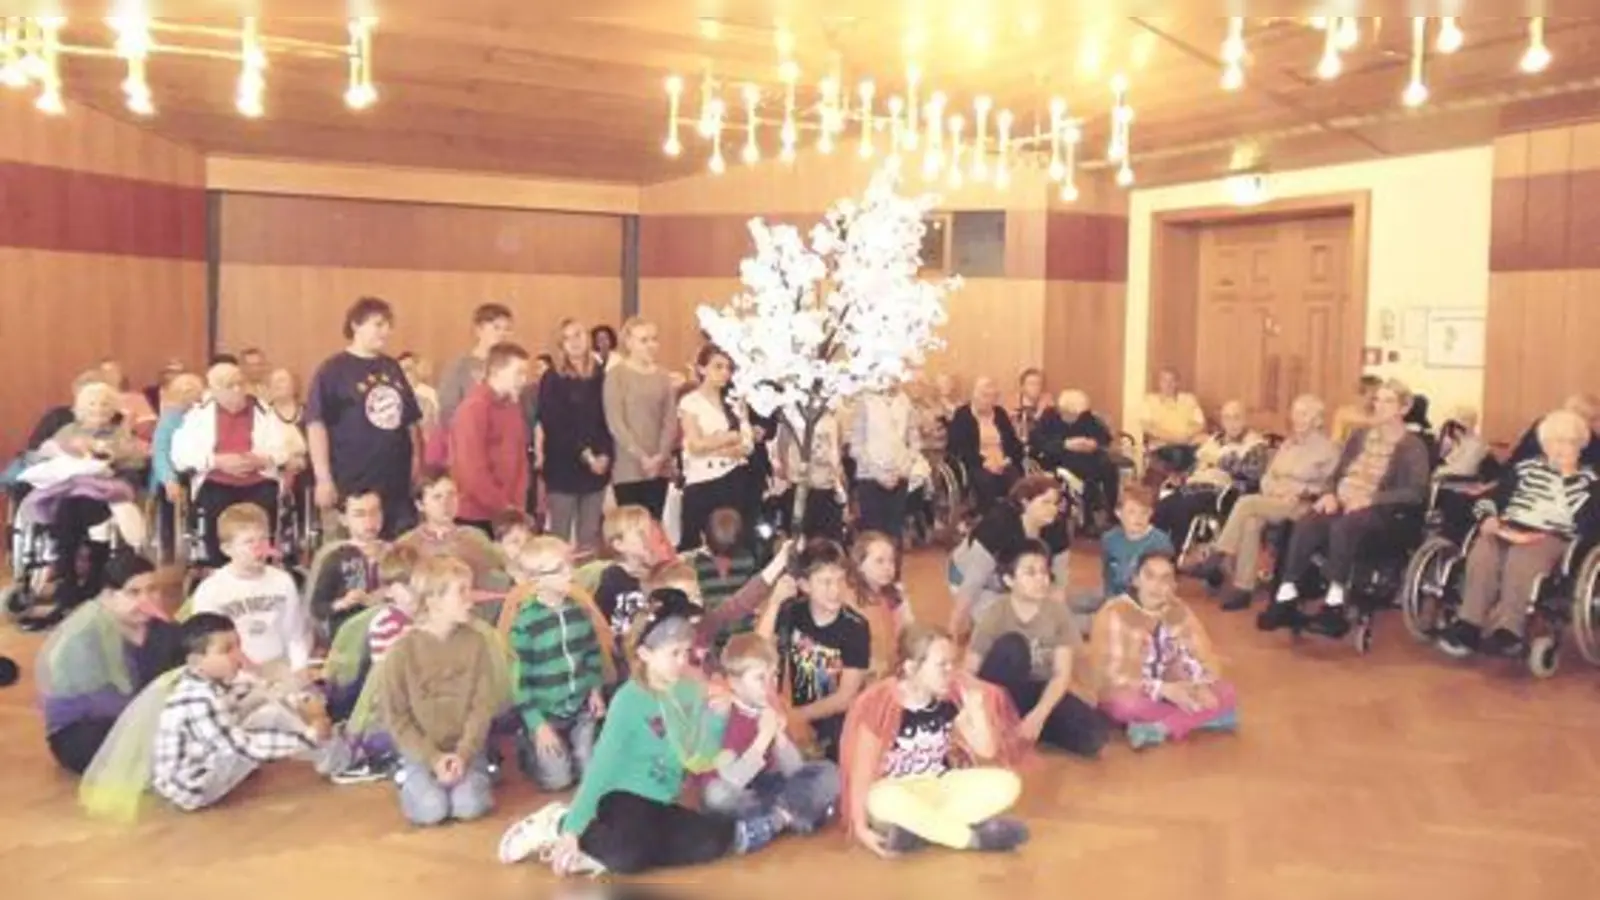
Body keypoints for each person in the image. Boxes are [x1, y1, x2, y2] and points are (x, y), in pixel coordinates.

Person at [496, 590, 798, 877]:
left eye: (686, 652)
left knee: (711, 841)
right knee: (629, 855)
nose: (683, 662)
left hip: (661, 800)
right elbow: (602, 766)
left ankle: (599, 855)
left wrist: (716, 719)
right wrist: (573, 827)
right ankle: (558, 823)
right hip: (621, 797)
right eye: (674, 653)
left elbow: (699, 757)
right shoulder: (630, 699)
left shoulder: (690, 692)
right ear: (645, 653)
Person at [1259, 379, 1431, 639]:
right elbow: (1337, 474)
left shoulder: (1413, 447)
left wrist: (1371, 498)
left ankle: (1334, 604)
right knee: (1309, 521)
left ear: (1403, 409)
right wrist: (1329, 493)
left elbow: (1415, 492)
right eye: (1377, 400)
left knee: (1344, 527)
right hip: (1344, 501)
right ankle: (1286, 595)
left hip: (1383, 512)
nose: (1379, 406)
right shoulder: (1359, 436)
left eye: (1387, 401)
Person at [838, 624, 1029, 858]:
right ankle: (971, 838)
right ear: (911, 668)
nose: (950, 671)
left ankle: (922, 830)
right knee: (880, 800)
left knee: (1007, 783)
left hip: (938, 785)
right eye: (941, 665)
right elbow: (862, 772)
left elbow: (986, 751)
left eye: (951, 663)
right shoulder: (880, 703)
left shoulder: (951, 694)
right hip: (897, 790)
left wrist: (976, 711)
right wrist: (860, 827)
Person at [1436, 408, 1600, 658]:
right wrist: (1489, 518)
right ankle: (1469, 624)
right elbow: (1489, 500)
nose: (1560, 448)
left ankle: (1510, 630)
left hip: (1551, 536)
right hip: (1509, 527)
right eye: (1554, 441)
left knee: (1522, 558)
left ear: (1581, 446)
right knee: (1484, 551)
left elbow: (1587, 524)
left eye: (1569, 442)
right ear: (1543, 444)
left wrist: (1567, 480)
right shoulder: (1524, 470)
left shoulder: (1588, 480)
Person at [151, 613, 342, 812]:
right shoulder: (197, 698)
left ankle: (332, 752)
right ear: (196, 661)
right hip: (193, 788)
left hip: (202, 771)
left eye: (238, 646)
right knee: (270, 717)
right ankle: (337, 757)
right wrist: (309, 736)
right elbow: (239, 748)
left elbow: (262, 691)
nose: (239, 656)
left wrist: (301, 701)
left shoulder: (210, 682)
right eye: (227, 650)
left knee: (268, 708)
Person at [379, 556, 502, 827]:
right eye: (461, 592)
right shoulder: (402, 651)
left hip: (467, 749)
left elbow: (482, 706)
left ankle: (479, 772)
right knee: (431, 810)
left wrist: (464, 753)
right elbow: (397, 717)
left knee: (467, 805)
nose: (470, 599)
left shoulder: (476, 642)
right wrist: (433, 758)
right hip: (422, 752)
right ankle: (409, 778)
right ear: (433, 601)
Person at [36, 554, 184, 774]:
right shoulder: (83, 636)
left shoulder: (164, 630)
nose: (146, 599)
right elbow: (101, 702)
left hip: (147, 719)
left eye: (153, 590)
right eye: (133, 592)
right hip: (87, 727)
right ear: (108, 595)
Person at [1194, 394, 1339, 612]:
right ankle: (1243, 588)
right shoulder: (1288, 444)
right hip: (1275, 500)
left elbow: (1330, 488)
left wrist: (1300, 491)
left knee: (1246, 503)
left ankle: (1218, 555)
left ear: (1318, 419)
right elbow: (1267, 476)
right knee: (1251, 521)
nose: (1297, 418)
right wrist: (1275, 490)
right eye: (1295, 412)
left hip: (1303, 506)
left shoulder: (1328, 449)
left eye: (1304, 414)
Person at [967, 540, 1106, 757]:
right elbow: (969, 670)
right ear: (1009, 580)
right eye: (1030, 573)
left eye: (1043, 572)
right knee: (1013, 646)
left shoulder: (1058, 613)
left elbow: (1062, 674)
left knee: (1094, 736)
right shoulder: (996, 613)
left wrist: (1038, 716)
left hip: (1041, 691)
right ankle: (1003, 723)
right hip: (1004, 691)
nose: (1041, 579)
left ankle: (1026, 727)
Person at [1091, 550, 1237, 749]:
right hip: (1137, 691)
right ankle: (1205, 719)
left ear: (1174, 586)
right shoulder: (1115, 613)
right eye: (1149, 577)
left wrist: (1198, 685)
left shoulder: (1179, 611)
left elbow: (1201, 655)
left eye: (1165, 579)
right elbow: (1110, 676)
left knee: (1226, 691)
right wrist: (1163, 689)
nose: (1157, 586)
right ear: (1135, 580)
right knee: (1123, 705)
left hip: (1176, 690)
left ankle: (1160, 728)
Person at [307, 296, 424, 539]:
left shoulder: (392, 367)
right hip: (352, 480)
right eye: (378, 324)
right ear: (355, 325)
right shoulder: (333, 370)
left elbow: (410, 420)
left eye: (388, 325)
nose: (386, 331)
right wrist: (323, 477)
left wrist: (416, 462)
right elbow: (316, 424)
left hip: (395, 481)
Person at [699, 633, 841, 826]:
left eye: (773, 676)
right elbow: (733, 780)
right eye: (759, 678)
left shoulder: (771, 707)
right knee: (716, 796)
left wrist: (780, 737)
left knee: (829, 772)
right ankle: (788, 816)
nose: (769, 685)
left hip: (768, 785)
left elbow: (794, 770)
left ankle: (776, 818)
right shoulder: (721, 712)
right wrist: (763, 738)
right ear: (735, 683)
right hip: (736, 788)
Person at [756, 539, 870, 762]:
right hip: (793, 708)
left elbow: (845, 697)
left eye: (840, 580)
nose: (835, 590)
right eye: (825, 582)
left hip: (834, 715)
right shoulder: (792, 612)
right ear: (805, 585)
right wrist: (774, 603)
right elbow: (755, 652)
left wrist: (797, 716)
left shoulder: (855, 627)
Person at [509, 536, 608, 792]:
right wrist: (537, 724)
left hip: (580, 710)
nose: (570, 573)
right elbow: (518, 681)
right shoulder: (525, 623)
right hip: (545, 714)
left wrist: (595, 689)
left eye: (569, 565)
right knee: (558, 781)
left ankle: (576, 749)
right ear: (536, 580)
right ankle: (529, 746)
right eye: (561, 568)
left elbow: (591, 653)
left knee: (591, 773)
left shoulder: (578, 611)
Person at [171, 361, 294, 566]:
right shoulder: (198, 415)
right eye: (230, 386)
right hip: (216, 479)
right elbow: (180, 456)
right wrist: (216, 461)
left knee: (263, 509)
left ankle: (259, 562)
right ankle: (220, 566)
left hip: (259, 478)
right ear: (215, 390)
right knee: (216, 508)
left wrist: (262, 459)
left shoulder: (264, 411)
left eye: (240, 384)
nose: (237, 390)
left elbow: (284, 449)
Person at [189, 504, 314, 681]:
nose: (259, 548)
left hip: (277, 667)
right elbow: (206, 648)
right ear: (227, 549)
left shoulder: (283, 581)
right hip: (235, 674)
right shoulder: (211, 590)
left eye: (263, 540)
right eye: (249, 542)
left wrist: (299, 667)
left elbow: (294, 634)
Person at [949, 475, 1071, 635]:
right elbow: (974, 580)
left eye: (1055, 504)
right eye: (1045, 502)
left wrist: (1057, 620)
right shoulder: (999, 524)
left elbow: (1059, 580)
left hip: (1011, 583)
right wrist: (957, 621)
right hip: (970, 580)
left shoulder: (1056, 528)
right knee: (1012, 629)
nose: (1052, 509)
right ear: (1025, 502)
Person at [1150, 399, 1267, 552]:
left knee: (1181, 509)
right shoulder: (1215, 439)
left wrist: (1220, 461)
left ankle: (1173, 556)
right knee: (1163, 507)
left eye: (1236, 417)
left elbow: (1253, 474)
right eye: (1227, 418)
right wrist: (1182, 476)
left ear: (1245, 419)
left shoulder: (1255, 444)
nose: (1231, 423)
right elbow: (1196, 465)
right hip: (1193, 486)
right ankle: (1152, 554)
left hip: (1220, 493)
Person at [538, 318, 613, 553]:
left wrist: (605, 455)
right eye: (567, 338)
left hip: (597, 468)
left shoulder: (602, 375)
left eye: (578, 335)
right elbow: (556, 424)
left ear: (588, 338)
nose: (574, 342)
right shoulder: (552, 379)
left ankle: (586, 584)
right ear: (560, 345)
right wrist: (587, 456)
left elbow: (609, 419)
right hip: (564, 466)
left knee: (589, 536)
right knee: (559, 535)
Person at [676, 344, 756, 552]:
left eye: (728, 368)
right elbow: (695, 445)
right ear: (702, 369)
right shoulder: (690, 402)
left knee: (736, 540)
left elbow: (746, 443)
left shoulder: (735, 401)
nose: (724, 373)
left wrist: (716, 442)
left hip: (734, 476)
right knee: (697, 542)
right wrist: (728, 438)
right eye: (718, 367)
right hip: (702, 479)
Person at [449, 342, 532, 535]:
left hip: (509, 512)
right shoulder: (473, 408)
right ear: (496, 371)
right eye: (518, 373)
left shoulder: (512, 406)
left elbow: (520, 459)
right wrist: (503, 506)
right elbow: (472, 470)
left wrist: (517, 504)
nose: (524, 380)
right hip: (477, 514)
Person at [603, 317, 679, 519]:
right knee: (630, 527)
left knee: (654, 525)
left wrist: (660, 456)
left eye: (654, 339)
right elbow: (615, 421)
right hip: (628, 466)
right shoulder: (616, 375)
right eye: (643, 340)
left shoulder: (663, 376)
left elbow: (670, 419)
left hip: (659, 466)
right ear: (628, 342)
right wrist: (642, 456)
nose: (650, 345)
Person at [302, 490, 386, 640]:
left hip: (389, 634)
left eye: (374, 512)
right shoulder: (334, 558)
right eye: (359, 514)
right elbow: (317, 607)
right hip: (349, 637)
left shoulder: (396, 553)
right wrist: (342, 603)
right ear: (344, 519)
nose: (369, 520)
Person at [1029, 389, 1118, 528]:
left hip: (1087, 456)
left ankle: (1110, 512)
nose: (1077, 418)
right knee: (1088, 473)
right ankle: (1088, 520)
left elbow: (1103, 437)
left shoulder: (1085, 416)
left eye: (1079, 414)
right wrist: (1065, 444)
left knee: (1110, 467)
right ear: (1062, 410)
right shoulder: (1049, 417)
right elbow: (1037, 442)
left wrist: (1093, 443)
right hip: (1057, 458)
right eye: (1072, 414)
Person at [851, 384, 920, 542]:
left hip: (899, 476)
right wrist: (878, 473)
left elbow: (914, 440)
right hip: (870, 476)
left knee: (894, 534)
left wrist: (905, 466)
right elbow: (856, 445)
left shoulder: (905, 401)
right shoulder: (865, 400)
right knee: (873, 534)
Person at [948, 376, 1025, 515]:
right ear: (974, 395)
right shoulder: (963, 414)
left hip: (1003, 462)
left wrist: (1008, 459)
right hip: (976, 463)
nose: (987, 400)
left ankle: (1012, 520)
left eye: (991, 396)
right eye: (983, 395)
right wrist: (985, 462)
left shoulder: (1000, 413)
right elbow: (958, 447)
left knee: (1016, 480)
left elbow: (1014, 443)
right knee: (986, 481)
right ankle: (989, 520)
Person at [774, 406, 847, 541]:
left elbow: (838, 448)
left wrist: (839, 481)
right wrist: (787, 472)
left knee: (829, 538)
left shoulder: (833, 416)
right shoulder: (792, 413)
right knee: (799, 537)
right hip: (800, 486)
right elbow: (782, 445)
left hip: (827, 486)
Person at [438, 302, 514, 429]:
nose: (502, 334)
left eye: (507, 329)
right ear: (479, 330)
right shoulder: (460, 367)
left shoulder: (509, 368)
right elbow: (448, 411)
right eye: (496, 328)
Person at [851, 530, 913, 677]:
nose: (887, 567)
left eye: (891, 561)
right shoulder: (848, 602)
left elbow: (910, 633)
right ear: (859, 565)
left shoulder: (896, 595)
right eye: (879, 561)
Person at [1141, 367, 1207, 475]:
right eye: (1164, 380)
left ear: (1178, 383)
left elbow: (1200, 424)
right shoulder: (1149, 401)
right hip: (1163, 445)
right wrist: (1176, 439)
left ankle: (1195, 484)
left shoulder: (1189, 399)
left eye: (1172, 380)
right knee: (1179, 454)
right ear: (1159, 383)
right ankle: (1178, 486)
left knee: (1207, 450)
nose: (1168, 384)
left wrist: (1187, 436)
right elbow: (1149, 428)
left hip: (1188, 442)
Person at [1330, 375, 1382, 445]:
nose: (1377, 402)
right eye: (1373, 398)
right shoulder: (1344, 413)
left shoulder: (1381, 413)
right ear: (1360, 395)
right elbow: (1335, 441)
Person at [1012, 368, 1049, 448]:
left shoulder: (1048, 409)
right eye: (1031, 384)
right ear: (1022, 386)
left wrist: (1041, 412)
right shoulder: (1012, 409)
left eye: (1038, 384)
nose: (1035, 387)